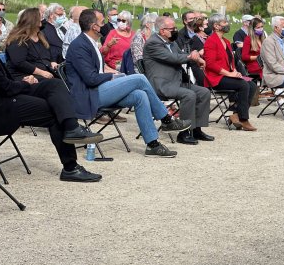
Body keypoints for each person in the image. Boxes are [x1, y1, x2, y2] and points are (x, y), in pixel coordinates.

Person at [0, 7, 104, 182]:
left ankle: (72, 136)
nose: (3, 25)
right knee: (53, 105)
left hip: (7, 97)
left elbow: (3, 82)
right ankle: (70, 164)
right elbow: (6, 87)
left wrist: (25, 81)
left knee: (55, 93)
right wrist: (25, 83)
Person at [66, 9, 191, 157]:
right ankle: (166, 119)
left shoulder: (91, 42)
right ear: (94, 26)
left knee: (139, 95)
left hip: (98, 90)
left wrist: (114, 73)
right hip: (89, 95)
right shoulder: (79, 45)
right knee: (139, 79)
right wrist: (112, 77)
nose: (106, 24)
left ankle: (153, 145)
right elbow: (90, 79)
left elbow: (96, 71)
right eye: (102, 22)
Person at [143, 15, 214, 145]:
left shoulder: (171, 41)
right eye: (172, 28)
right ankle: (184, 133)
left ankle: (196, 129)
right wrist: (193, 56)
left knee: (204, 92)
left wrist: (196, 57)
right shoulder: (153, 43)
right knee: (189, 94)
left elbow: (180, 55)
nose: (175, 30)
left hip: (176, 82)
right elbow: (173, 58)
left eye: (175, 27)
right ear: (162, 30)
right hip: (161, 84)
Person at [203, 13, 258, 131]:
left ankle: (236, 115)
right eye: (224, 22)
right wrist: (230, 74)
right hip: (216, 78)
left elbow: (230, 62)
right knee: (243, 85)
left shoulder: (226, 41)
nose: (227, 24)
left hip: (228, 75)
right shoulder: (211, 41)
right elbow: (211, 64)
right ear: (216, 26)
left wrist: (234, 71)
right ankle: (243, 119)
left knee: (252, 85)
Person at [5, 8, 60, 81]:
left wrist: (53, 62)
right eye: (40, 16)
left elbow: (49, 53)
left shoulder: (41, 37)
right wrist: (41, 72)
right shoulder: (18, 40)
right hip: (26, 77)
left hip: (46, 73)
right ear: (32, 20)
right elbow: (20, 63)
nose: (42, 19)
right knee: (57, 84)